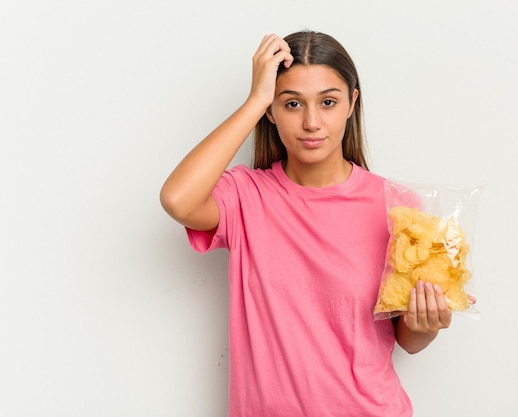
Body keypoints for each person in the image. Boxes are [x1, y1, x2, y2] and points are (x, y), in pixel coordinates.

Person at [160, 31, 453, 417]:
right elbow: (178, 200)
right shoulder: (246, 196)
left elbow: (408, 341)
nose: (312, 122)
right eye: (292, 103)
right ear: (271, 111)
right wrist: (254, 100)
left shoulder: (396, 206)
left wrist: (426, 323)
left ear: (352, 103)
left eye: (328, 102)